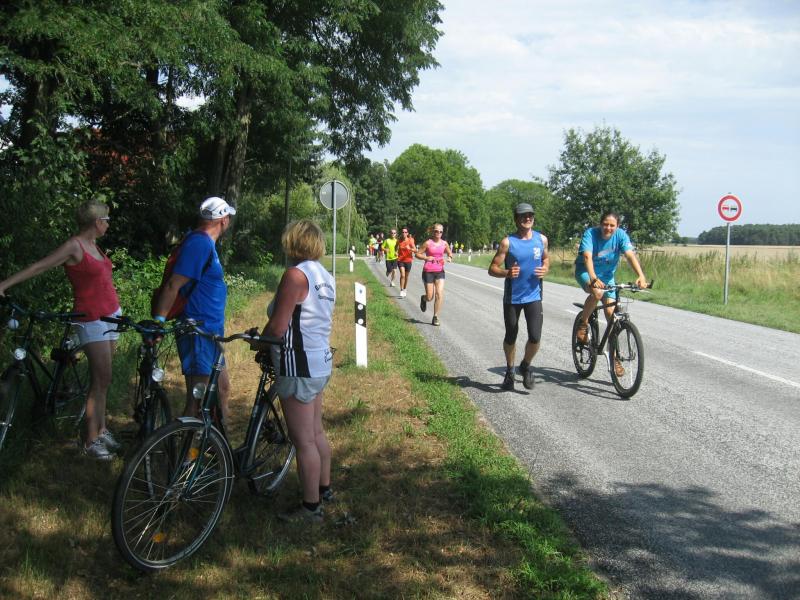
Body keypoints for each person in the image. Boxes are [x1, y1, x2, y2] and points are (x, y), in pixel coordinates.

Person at [0, 200, 122, 460]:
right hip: (91, 318)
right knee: (100, 378)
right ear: (97, 222)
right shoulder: (74, 246)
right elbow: (39, 266)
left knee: (105, 379)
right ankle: (90, 441)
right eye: (107, 220)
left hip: (112, 314)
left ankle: (101, 429)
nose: (108, 225)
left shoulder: (95, 245)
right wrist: (4, 284)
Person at [258, 219, 335, 523]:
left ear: (292, 242)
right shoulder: (324, 276)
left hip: (297, 364)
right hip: (319, 362)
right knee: (316, 432)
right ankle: (324, 488)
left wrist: (258, 342)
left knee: (303, 440)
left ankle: (311, 507)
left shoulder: (295, 275)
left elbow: (278, 326)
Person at [153, 196, 235, 420]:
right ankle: (188, 443)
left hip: (211, 331)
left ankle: (214, 441)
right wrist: (159, 322)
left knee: (221, 390)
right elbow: (173, 285)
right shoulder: (199, 244)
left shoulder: (206, 244)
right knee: (198, 401)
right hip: (196, 330)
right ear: (223, 220)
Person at [574, 211, 648, 377]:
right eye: (605, 224)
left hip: (607, 276)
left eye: (612, 225)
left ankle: (614, 358)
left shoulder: (620, 235)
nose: (608, 228)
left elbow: (629, 255)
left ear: (617, 226)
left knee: (611, 317)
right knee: (597, 293)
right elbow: (587, 256)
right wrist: (593, 278)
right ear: (600, 224)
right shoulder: (590, 234)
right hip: (586, 272)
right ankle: (583, 324)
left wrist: (641, 276)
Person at [488, 203, 550, 391]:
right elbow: (492, 269)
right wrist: (506, 273)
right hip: (513, 298)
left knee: (535, 337)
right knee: (511, 336)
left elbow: (546, 259)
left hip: (534, 296)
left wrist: (545, 268)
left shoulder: (542, 239)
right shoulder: (508, 242)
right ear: (516, 219)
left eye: (530, 215)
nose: (527, 218)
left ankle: (526, 365)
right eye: (523, 216)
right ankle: (509, 371)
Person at [416, 223, 453, 326]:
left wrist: (449, 258)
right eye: (436, 231)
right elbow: (417, 254)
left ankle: (435, 317)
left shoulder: (444, 243)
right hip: (428, 271)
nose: (438, 233)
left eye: (441, 232)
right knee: (430, 297)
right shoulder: (428, 243)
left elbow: (450, 253)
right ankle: (424, 299)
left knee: (439, 294)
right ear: (433, 231)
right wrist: (426, 258)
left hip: (440, 271)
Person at [396, 227, 417, 298]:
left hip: (408, 260)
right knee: (403, 275)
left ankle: (405, 288)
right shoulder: (399, 241)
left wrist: (410, 248)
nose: (404, 233)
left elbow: (415, 250)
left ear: (407, 233)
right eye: (403, 232)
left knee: (406, 277)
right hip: (400, 260)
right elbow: (396, 247)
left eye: (405, 232)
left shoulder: (410, 241)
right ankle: (401, 290)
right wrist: (396, 252)